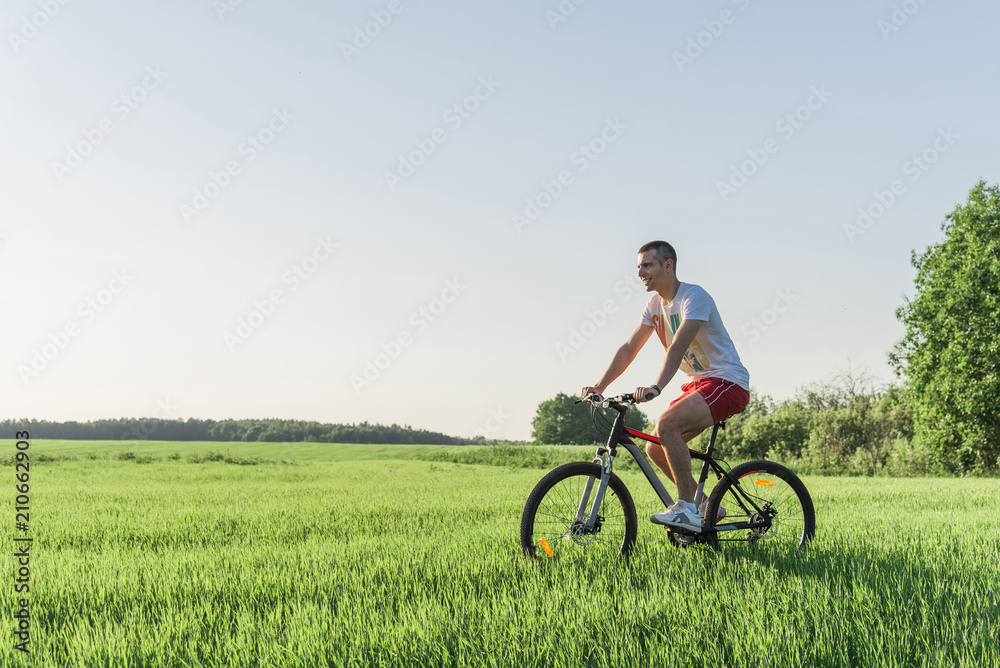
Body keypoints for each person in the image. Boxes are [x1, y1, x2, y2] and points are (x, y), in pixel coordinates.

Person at [580, 240, 750, 532]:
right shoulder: (654, 306)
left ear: (667, 265)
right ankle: (707, 506)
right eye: (639, 267)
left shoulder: (694, 298)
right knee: (655, 447)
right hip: (698, 385)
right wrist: (600, 385)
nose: (640, 273)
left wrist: (656, 387)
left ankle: (686, 508)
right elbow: (630, 348)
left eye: (647, 265)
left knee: (667, 423)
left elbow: (678, 345)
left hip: (726, 381)